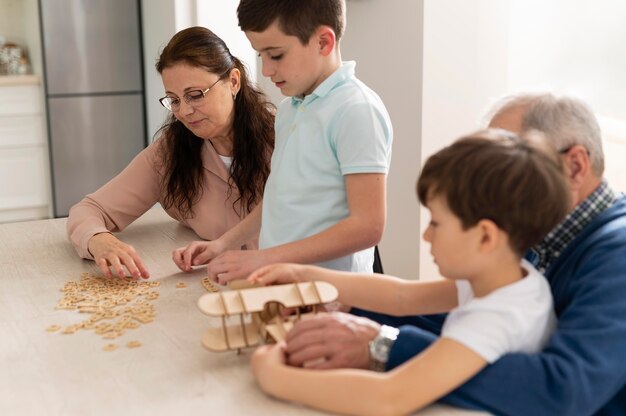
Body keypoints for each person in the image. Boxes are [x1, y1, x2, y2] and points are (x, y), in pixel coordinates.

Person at [282, 94, 626, 416]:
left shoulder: (617, 253)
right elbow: (471, 318)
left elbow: (562, 390)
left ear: (576, 166)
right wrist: (350, 307)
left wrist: (385, 346)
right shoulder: (540, 235)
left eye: (507, 163)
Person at [246, 129, 570, 415]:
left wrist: (274, 377)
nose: (427, 235)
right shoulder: (507, 277)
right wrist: (304, 275)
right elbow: (401, 296)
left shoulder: (499, 316)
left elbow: (390, 398)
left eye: (437, 223)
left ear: (486, 236)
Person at [174, 0, 393, 282]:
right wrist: (223, 243)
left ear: (323, 42)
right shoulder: (291, 109)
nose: (265, 70)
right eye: (260, 55)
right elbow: (278, 198)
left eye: (275, 55)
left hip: (331, 295)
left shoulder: (356, 110)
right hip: (283, 282)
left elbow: (368, 228)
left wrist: (262, 258)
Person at [67, 26, 274, 279]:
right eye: (174, 100)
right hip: (209, 287)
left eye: (195, 95)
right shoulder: (169, 153)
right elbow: (88, 210)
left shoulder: (285, 136)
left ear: (233, 81)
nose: (184, 111)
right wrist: (99, 240)